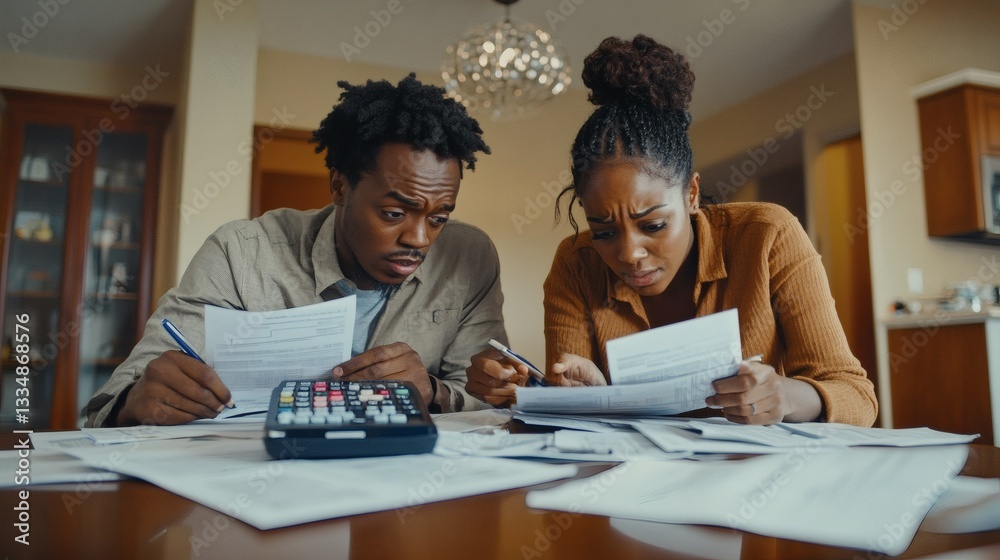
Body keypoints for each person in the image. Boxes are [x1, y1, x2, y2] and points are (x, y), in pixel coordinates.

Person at [466, 35, 877, 427]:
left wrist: (785, 396)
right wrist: (589, 394)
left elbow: (857, 397)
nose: (629, 254)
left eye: (654, 225)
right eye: (603, 231)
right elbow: (575, 425)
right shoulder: (576, 262)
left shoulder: (768, 235)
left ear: (693, 194)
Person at [86, 74, 506, 427]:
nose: (419, 240)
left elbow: (488, 400)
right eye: (395, 212)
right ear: (340, 186)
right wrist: (135, 402)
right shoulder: (241, 253)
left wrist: (431, 391)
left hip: (405, 495)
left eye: (438, 218)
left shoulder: (469, 259)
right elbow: (106, 408)